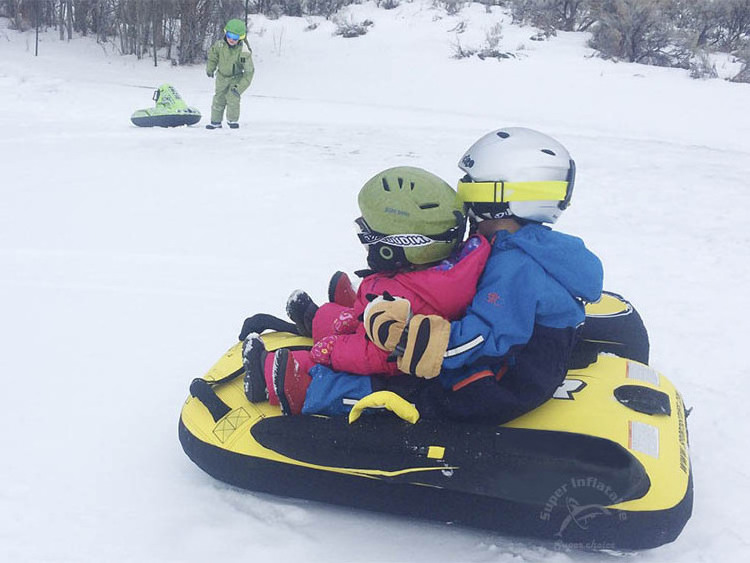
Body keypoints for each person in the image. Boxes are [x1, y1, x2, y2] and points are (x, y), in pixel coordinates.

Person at [363, 127, 604, 424]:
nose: (465, 206)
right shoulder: (513, 245)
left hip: (508, 382)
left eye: (472, 192)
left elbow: (482, 337)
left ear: (501, 201)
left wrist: (410, 339)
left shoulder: (516, 267)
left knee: (414, 391)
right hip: (509, 352)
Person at [242, 166, 491, 415]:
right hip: (379, 328)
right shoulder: (428, 275)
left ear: (398, 246)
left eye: (369, 236)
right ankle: (316, 319)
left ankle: (273, 378)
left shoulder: (404, 300)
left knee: (329, 374)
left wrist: (331, 351)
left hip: (389, 371)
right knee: (352, 319)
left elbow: (376, 355)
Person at [205, 19, 254, 130]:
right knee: (219, 98)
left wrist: (239, 87)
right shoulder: (219, 45)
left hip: (236, 78)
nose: (231, 39)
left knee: (233, 98)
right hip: (221, 77)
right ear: (225, 33)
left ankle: (232, 121)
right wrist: (210, 68)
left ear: (241, 38)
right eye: (230, 35)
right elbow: (213, 57)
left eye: (235, 37)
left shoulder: (243, 52)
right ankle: (215, 122)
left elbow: (249, 72)